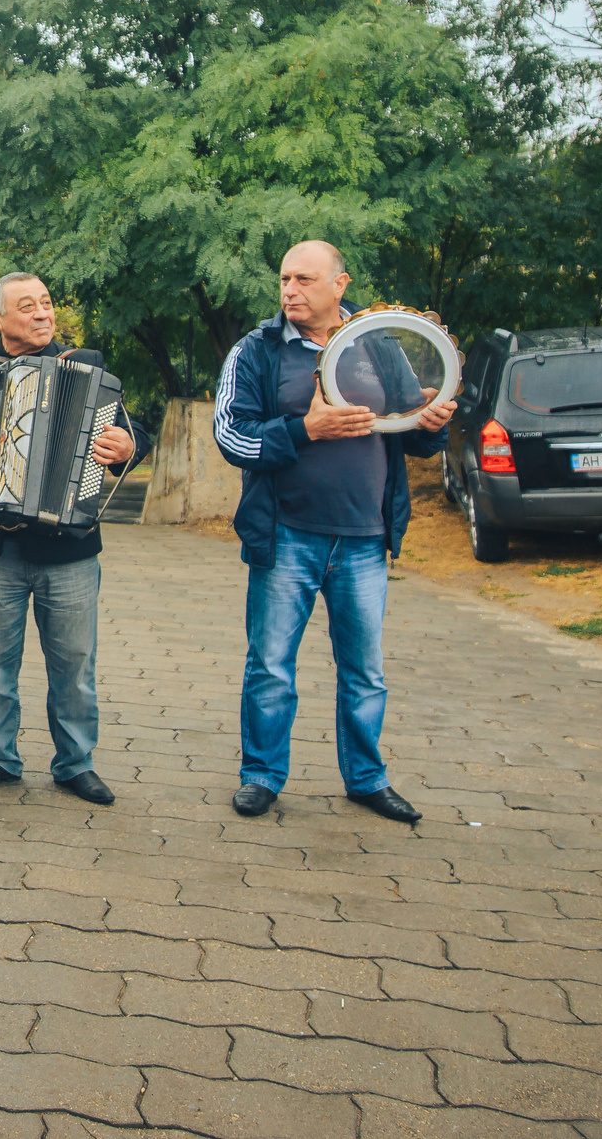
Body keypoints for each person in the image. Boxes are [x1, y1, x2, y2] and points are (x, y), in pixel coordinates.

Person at [211, 241, 454, 824]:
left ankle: (367, 780)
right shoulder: (257, 351)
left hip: (365, 537)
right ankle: (261, 776)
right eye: (284, 279)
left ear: (339, 284)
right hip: (286, 535)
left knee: (365, 671)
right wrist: (306, 430)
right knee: (271, 666)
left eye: (305, 279)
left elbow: (410, 432)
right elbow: (232, 438)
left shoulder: (379, 344)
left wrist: (433, 424)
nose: (290, 290)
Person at [0, 273, 149, 805]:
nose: (43, 313)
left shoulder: (86, 368)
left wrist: (125, 447)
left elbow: (134, 435)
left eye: (46, 303)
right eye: (28, 306)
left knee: (75, 664)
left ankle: (75, 763)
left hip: (68, 549)